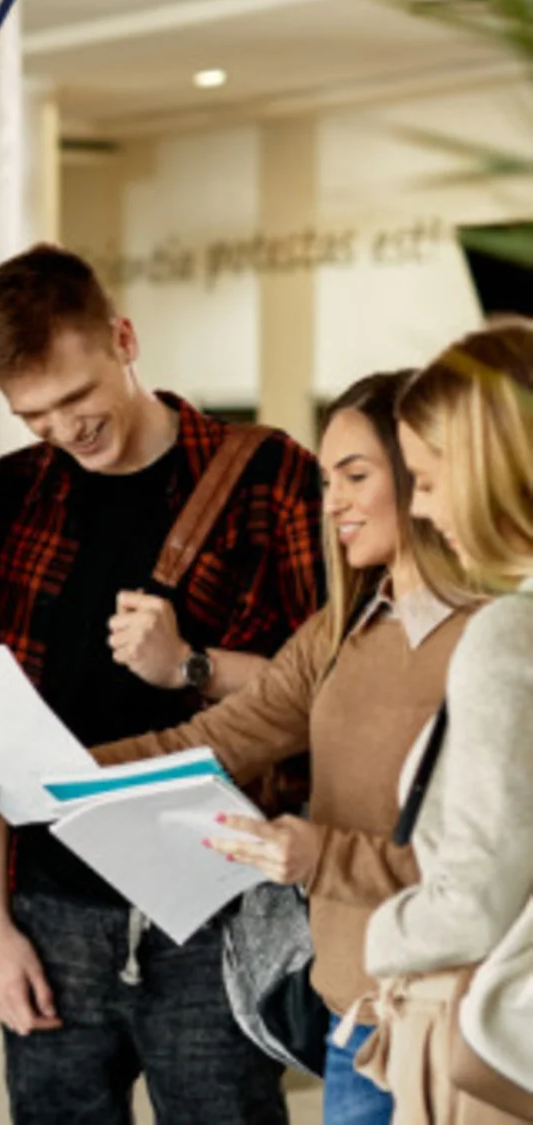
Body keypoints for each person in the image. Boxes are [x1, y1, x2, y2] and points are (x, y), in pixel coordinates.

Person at [0, 370, 476, 1123]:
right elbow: (213, 739)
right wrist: (34, 775)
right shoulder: (339, 632)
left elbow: (492, 863)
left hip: (459, 1017)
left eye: (357, 475)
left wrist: (319, 855)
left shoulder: (493, 639)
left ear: (426, 469)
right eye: (330, 480)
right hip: (355, 1018)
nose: (336, 503)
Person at [0, 244, 324, 1124]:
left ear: (123, 338)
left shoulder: (270, 480)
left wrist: (191, 667)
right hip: (48, 907)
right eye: (36, 416)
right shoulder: (5, 495)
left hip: (216, 903)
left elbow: (330, 697)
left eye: (78, 398)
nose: (66, 430)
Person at [358, 322, 533, 1124]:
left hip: (475, 1026)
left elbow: (474, 900)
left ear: (488, 466)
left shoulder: (507, 635)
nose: (421, 509)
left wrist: (378, 936)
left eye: (426, 479)